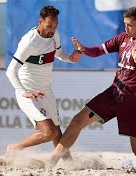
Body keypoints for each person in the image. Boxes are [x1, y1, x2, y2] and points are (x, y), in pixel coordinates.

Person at [48, 6, 136, 168]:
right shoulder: (123, 38)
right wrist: (84, 49)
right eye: (125, 24)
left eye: (130, 25)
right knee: (78, 120)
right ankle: (51, 162)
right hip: (114, 93)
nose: (125, 28)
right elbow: (99, 50)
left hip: (134, 103)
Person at [5, 5, 82, 160]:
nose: (52, 29)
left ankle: (69, 166)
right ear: (40, 21)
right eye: (49, 26)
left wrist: (71, 58)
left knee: (58, 135)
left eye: (55, 26)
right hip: (29, 92)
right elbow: (10, 71)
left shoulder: (55, 35)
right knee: (49, 133)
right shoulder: (29, 41)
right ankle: (13, 148)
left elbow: (59, 53)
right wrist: (24, 92)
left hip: (46, 91)